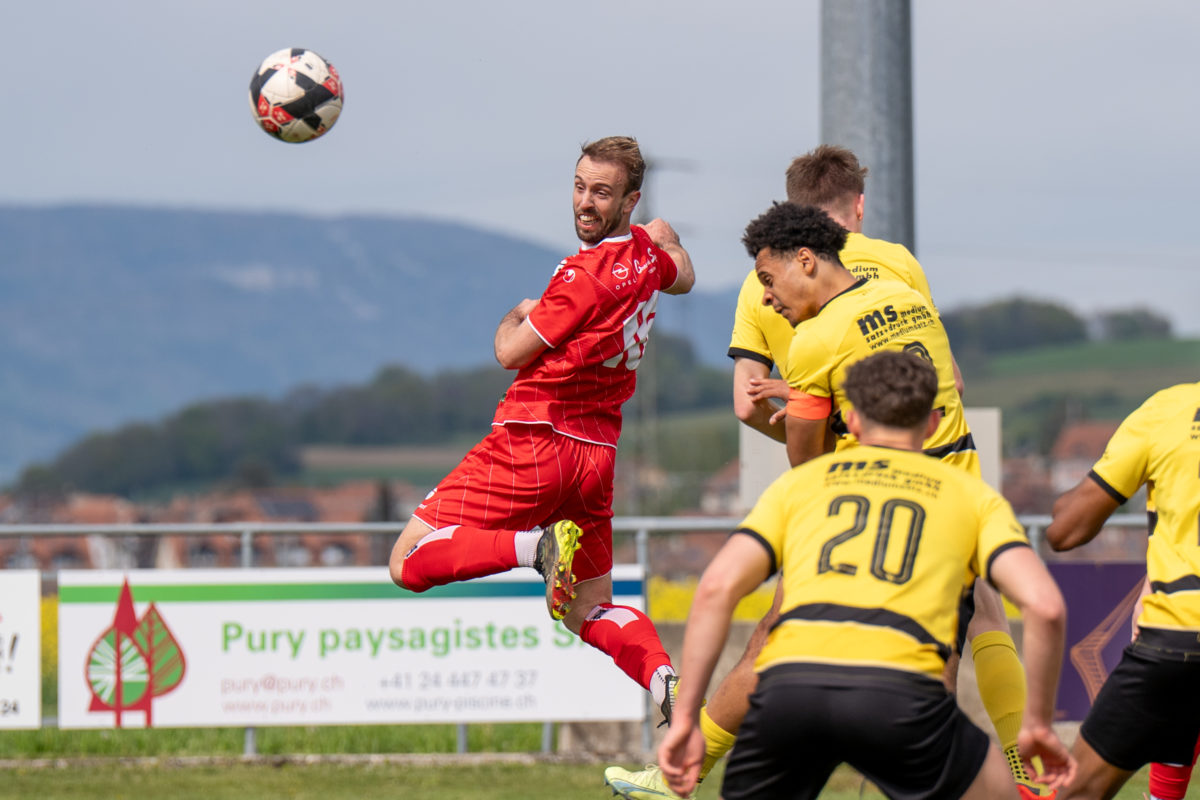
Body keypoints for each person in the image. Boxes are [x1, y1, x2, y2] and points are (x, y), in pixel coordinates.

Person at [608, 151, 1036, 798]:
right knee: (974, 633)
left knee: (777, 639)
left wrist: (812, 411)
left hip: (857, 508)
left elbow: (767, 423)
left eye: (769, 281)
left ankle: (678, 769)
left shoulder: (798, 324)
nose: (769, 296)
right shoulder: (900, 274)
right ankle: (1028, 773)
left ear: (800, 246)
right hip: (954, 489)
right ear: (856, 207)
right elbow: (946, 381)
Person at [657, 351, 1074, 800]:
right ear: (934, 423)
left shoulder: (802, 485)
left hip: (790, 691)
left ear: (850, 420)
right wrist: (1037, 725)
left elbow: (718, 586)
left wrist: (684, 720)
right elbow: (1046, 607)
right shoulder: (969, 495)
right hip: (899, 694)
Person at [388, 136, 695, 720]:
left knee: (407, 561)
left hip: (534, 439)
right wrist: (658, 236)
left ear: (630, 199)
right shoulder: (647, 261)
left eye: (601, 193)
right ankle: (662, 677)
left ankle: (533, 548)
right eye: (580, 187)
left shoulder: (581, 277)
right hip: (596, 458)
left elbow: (509, 351)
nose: (584, 202)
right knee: (588, 608)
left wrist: (521, 310)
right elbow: (683, 269)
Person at [1044, 380, 1200, 799]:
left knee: (1076, 793)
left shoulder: (1168, 411)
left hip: (1179, 631)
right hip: (1178, 635)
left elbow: (1064, 531)